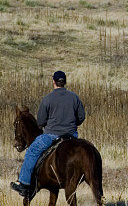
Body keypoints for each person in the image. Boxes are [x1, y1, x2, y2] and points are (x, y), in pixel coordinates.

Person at [10, 70, 85, 199]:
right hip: (72, 136)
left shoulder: (48, 98)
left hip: (52, 135)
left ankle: (23, 183)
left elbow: (40, 122)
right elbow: (81, 117)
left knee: (32, 150)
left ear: (54, 82)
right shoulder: (74, 97)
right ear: (65, 82)